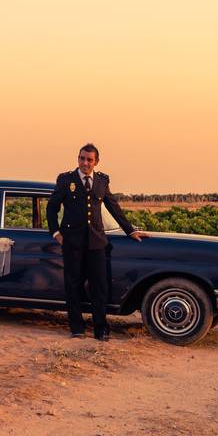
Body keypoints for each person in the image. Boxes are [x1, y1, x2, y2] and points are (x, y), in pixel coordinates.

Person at [46, 143, 149, 341]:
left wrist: (130, 231)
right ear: (78, 158)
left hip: (96, 242)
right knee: (73, 285)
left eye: (89, 160)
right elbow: (52, 208)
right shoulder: (66, 179)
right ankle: (76, 328)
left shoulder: (102, 181)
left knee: (99, 287)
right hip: (72, 242)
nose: (85, 163)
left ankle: (100, 330)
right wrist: (56, 233)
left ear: (96, 162)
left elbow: (113, 206)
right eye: (82, 158)